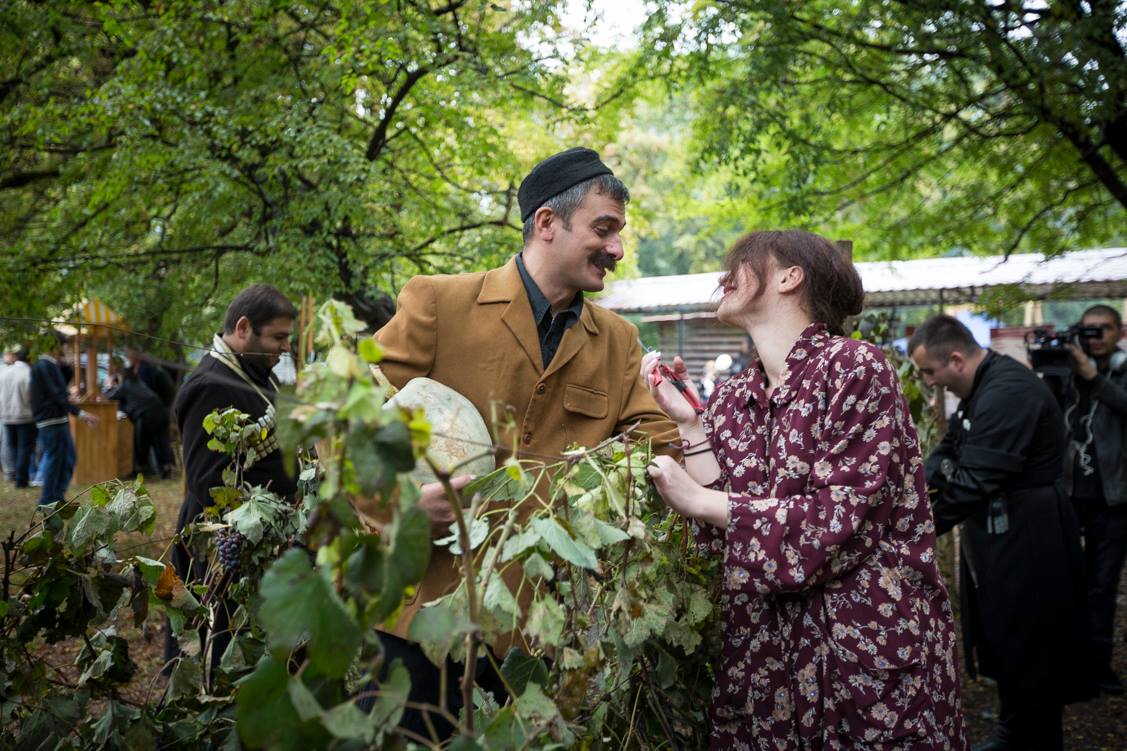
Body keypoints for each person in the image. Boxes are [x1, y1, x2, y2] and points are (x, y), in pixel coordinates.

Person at [372, 146, 678, 737]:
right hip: (415, 621)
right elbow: (346, 422)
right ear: (546, 223)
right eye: (604, 229)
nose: (617, 248)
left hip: (534, 642)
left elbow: (656, 447)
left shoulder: (619, 341)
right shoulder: (438, 303)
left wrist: (675, 418)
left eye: (619, 233)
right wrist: (399, 507)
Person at [643, 230, 966, 749]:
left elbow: (828, 525)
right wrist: (690, 426)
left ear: (790, 277)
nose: (723, 277)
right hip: (763, 666)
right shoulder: (730, 397)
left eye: (741, 263)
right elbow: (719, 535)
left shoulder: (856, 369)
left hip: (861, 659)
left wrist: (700, 499)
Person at [909, 315, 1091, 751]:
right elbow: (950, 451)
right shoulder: (981, 389)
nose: (930, 382)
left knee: (1033, 635)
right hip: (1003, 530)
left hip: (1032, 534)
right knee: (1008, 632)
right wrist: (914, 492)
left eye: (930, 372)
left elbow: (975, 480)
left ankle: (1034, 737)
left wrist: (916, 529)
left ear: (956, 360)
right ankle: (1016, 729)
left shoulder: (1008, 391)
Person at [167, 284, 298, 669]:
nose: (285, 347)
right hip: (221, 547)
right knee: (220, 652)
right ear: (243, 328)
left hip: (261, 543)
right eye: (278, 337)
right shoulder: (209, 384)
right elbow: (207, 482)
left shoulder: (258, 372)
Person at [1062, 304, 1127, 696]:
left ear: (1120, 331)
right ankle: (1069, 663)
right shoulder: (1066, 370)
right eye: (1089, 330)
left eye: (1104, 328)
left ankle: (1099, 664)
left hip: (1113, 496)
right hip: (1069, 492)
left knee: (1102, 585)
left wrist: (1092, 376)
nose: (1096, 336)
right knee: (1065, 580)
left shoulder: (1122, 368)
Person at [30, 333, 97, 506]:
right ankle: (48, 500)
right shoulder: (44, 365)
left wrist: (66, 362)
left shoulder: (51, 364)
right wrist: (81, 414)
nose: (66, 348)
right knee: (56, 461)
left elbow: (61, 385)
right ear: (56, 345)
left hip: (57, 419)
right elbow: (57, 394)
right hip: (51, 420)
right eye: (64, 345)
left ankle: (57, 496)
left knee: (67, 459)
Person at [105, 360, 173, 480]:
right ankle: (166, 468)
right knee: (162, 441)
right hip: (161, 411)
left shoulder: (126, 384)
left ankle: (141, 469)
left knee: (142, 443)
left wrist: (109, 386)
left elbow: (110, 397)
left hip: (147, 414)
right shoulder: (139, 383)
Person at [125, 345, 176, 477]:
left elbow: (165, 391)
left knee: (155, 440)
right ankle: (162, 467)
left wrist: (163, 405)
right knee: (159, 439)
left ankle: (152, 467)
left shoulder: (148, 370)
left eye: (129, 353)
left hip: (154, 410)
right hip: (154, 409)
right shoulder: (140, 369)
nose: (127, 356)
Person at [0, 347, 37, 487]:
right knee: (24, 449)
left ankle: (14, 475)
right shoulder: (28, 373)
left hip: (7, 416)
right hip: (25, 415)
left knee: (12, 447)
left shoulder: (4, 372)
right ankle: (21, 480)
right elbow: (32, 396)